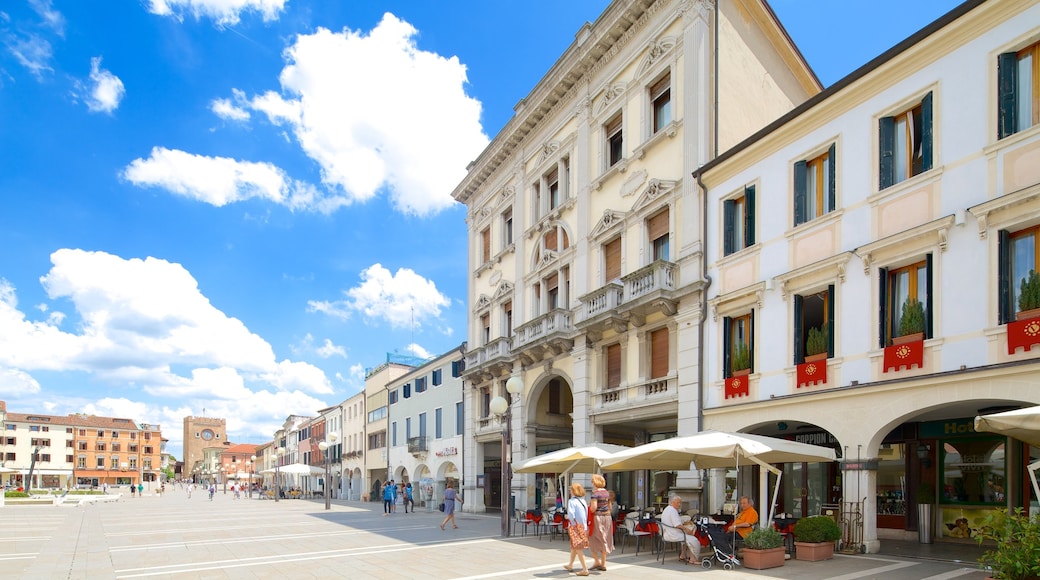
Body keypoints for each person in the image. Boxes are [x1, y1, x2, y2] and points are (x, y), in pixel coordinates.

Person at [660, 493, 700, 563]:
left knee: (688, 535)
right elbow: (677, 525)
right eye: (677, 503)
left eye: (680, 503)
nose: (679, 504)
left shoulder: (668, 509)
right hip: (672, 534)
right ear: (672, 502)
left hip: (667, 532)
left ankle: (683, 554)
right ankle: (693, 559)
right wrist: (686, 529)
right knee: (694, 539)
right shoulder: (672, 511)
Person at [588, 474, 614, 572]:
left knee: (592, 538)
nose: (592, 483)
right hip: (607, 517)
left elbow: (593, 508)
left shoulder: (595, 494)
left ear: (595, 482)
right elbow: (610, 507)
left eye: (592, 481)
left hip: (597, 517)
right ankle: (603, 563)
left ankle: (596, 561)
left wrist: (589, 508)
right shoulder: (607, 493)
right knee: (605, 537)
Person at [564, 481, 590, 576]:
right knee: (574, 547)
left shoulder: (572, 501)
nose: (570, 491)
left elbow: (571, 515)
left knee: (578, 548)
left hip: (575, 526)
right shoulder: (583, 501)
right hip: (583, 526)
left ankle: (585, 569)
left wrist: (568, 519)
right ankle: (570, 564)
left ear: (574, 491)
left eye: (571, 490)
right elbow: (586, 515)